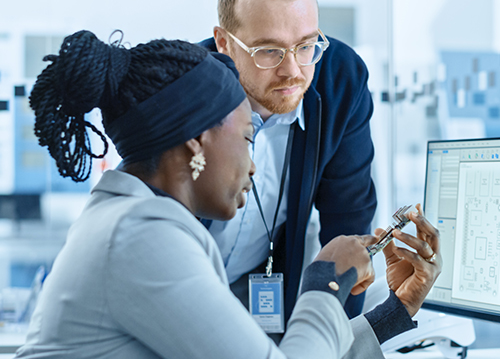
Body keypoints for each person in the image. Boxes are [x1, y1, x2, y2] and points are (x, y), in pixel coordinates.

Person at [13, 29, 441, 359]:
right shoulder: (141, 240)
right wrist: (324, 281)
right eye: (247, 138)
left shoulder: (138, 225)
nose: (253, 164)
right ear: (197, 143)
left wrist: (393, 313)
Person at [199, 0, 377, 321]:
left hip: (260, 289)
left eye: (306, 45)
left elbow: (348, 230)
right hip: (177, 283)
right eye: (269, 50)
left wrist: (341, 342)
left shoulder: (341, 80)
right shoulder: (182, 87)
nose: (293, 70)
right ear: (224, 43)